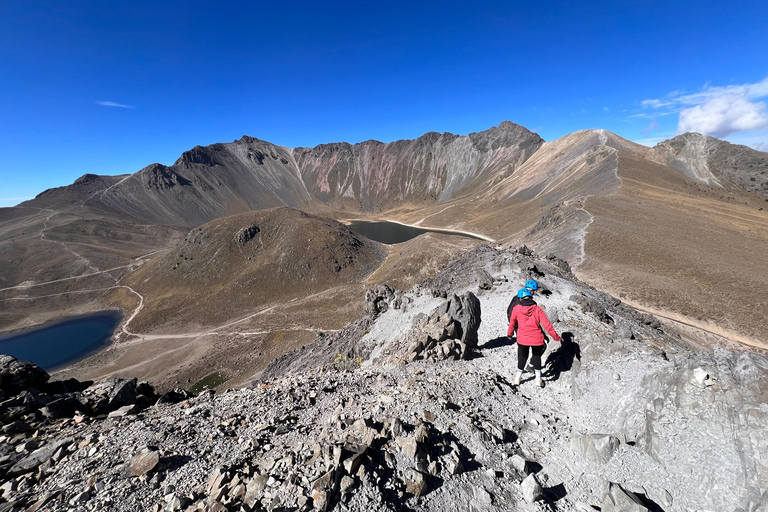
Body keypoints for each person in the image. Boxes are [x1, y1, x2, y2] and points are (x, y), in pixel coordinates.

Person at [507, 288, 561, 388]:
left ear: (520, 298)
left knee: (522, 356)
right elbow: (547, 325)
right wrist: (557, 338)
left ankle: (517, 378)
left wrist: (510, 334)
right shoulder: (537, 309)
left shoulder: (516, 309)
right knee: (536, 357)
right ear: (531, 297)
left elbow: (512, 323)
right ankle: (538, 380)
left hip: (522, 338)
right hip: (537, 339)